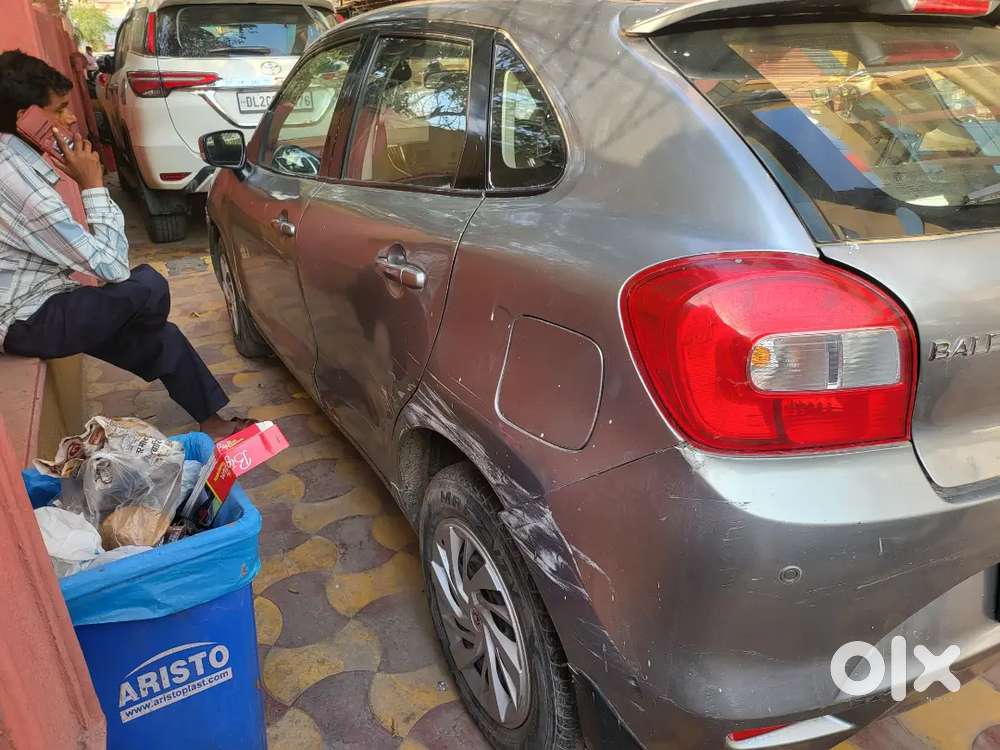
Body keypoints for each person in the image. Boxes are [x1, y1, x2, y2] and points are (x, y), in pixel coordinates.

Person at [0, 50, 249, 440]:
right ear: (24, 117)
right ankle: (140, 325)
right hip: (27, 319)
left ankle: (212, 420)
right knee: (147, 284)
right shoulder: (17, 183)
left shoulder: (16, 159)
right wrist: (93, 185)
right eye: (60, 109)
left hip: (49, 299)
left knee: (156, 327)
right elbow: (112, 266)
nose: (70, 119)